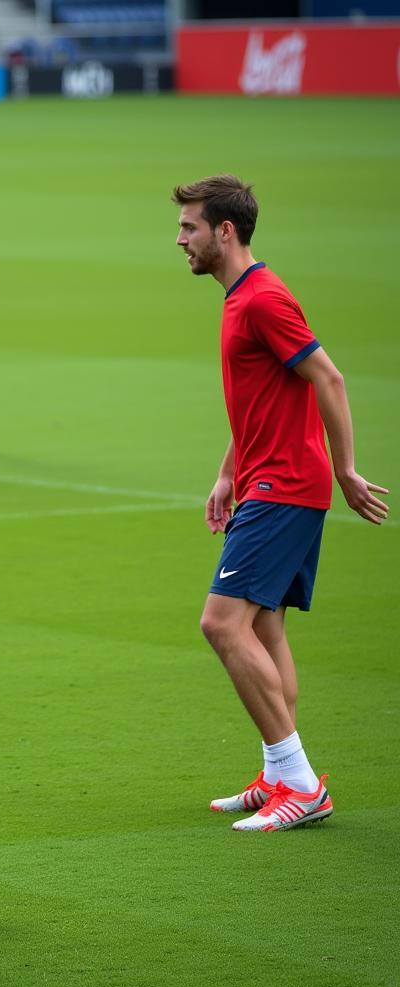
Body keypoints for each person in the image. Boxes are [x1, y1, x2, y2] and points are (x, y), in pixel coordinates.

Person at [173, 175, 389, 832]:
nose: (180, 239)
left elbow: (328, 376)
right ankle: (277, 775)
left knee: (221, 624)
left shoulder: (262, 299)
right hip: (265, 479)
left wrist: (346, 469)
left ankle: (300, 782)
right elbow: (262, 402)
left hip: (287, 485)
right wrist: (226, 473)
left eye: (190, 227)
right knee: (264, 628)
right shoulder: (240, 299)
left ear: (225, 232)